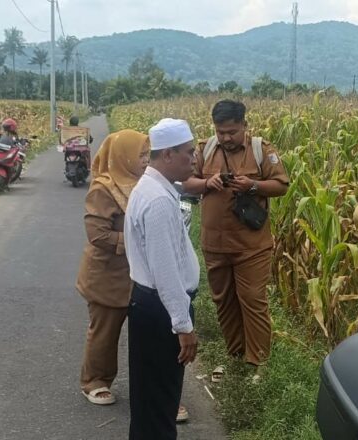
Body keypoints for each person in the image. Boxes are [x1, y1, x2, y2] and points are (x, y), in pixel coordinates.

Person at [182, 100, 289, 376]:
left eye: (232, 132)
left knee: (252, 299)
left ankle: (258, 362)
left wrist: (252, 185)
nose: (226, 138)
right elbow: (187, 183)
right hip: (215, 244)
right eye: (221, 132)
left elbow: (281, 185)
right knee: (224, 299)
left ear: (244, 125)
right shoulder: (205, 150)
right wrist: (208, 182)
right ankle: (236, 354)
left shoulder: (261, 151)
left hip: (251, 245)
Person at [124, 118, 199, 440]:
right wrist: (183, 326)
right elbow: (165, 271)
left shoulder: (154, 189)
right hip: (161, 311)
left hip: (152, 306)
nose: (194, 159)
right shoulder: (157, 201)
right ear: (167, 154)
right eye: (189, 152)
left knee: (151, 402)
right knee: (159, 406)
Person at [75, 130, 150, 406]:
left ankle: (153, 388)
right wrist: (138, 241)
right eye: (141, 155)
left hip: (139, 274)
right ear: (123, 157)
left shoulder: (146, 184)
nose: (146, 160)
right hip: (107, 275)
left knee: (149, 333)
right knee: (105, 332)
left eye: (148, 154)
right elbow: (98, 235)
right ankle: (95, 381)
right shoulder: (103, 189)